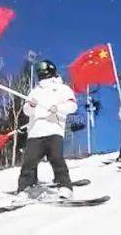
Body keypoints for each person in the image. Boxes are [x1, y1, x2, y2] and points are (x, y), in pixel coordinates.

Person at [17, 59, 77, 200]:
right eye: (40, 73)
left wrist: (59, 108)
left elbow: (72, 106)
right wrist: (31, 106)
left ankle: (65, 187)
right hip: (36, 131)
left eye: (45, 72)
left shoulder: (63, 89)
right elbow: (27, 111)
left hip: (54, 129)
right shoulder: (35, 91)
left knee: (56, 158)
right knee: (29, 161)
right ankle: (25, 189)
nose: (43, 75)